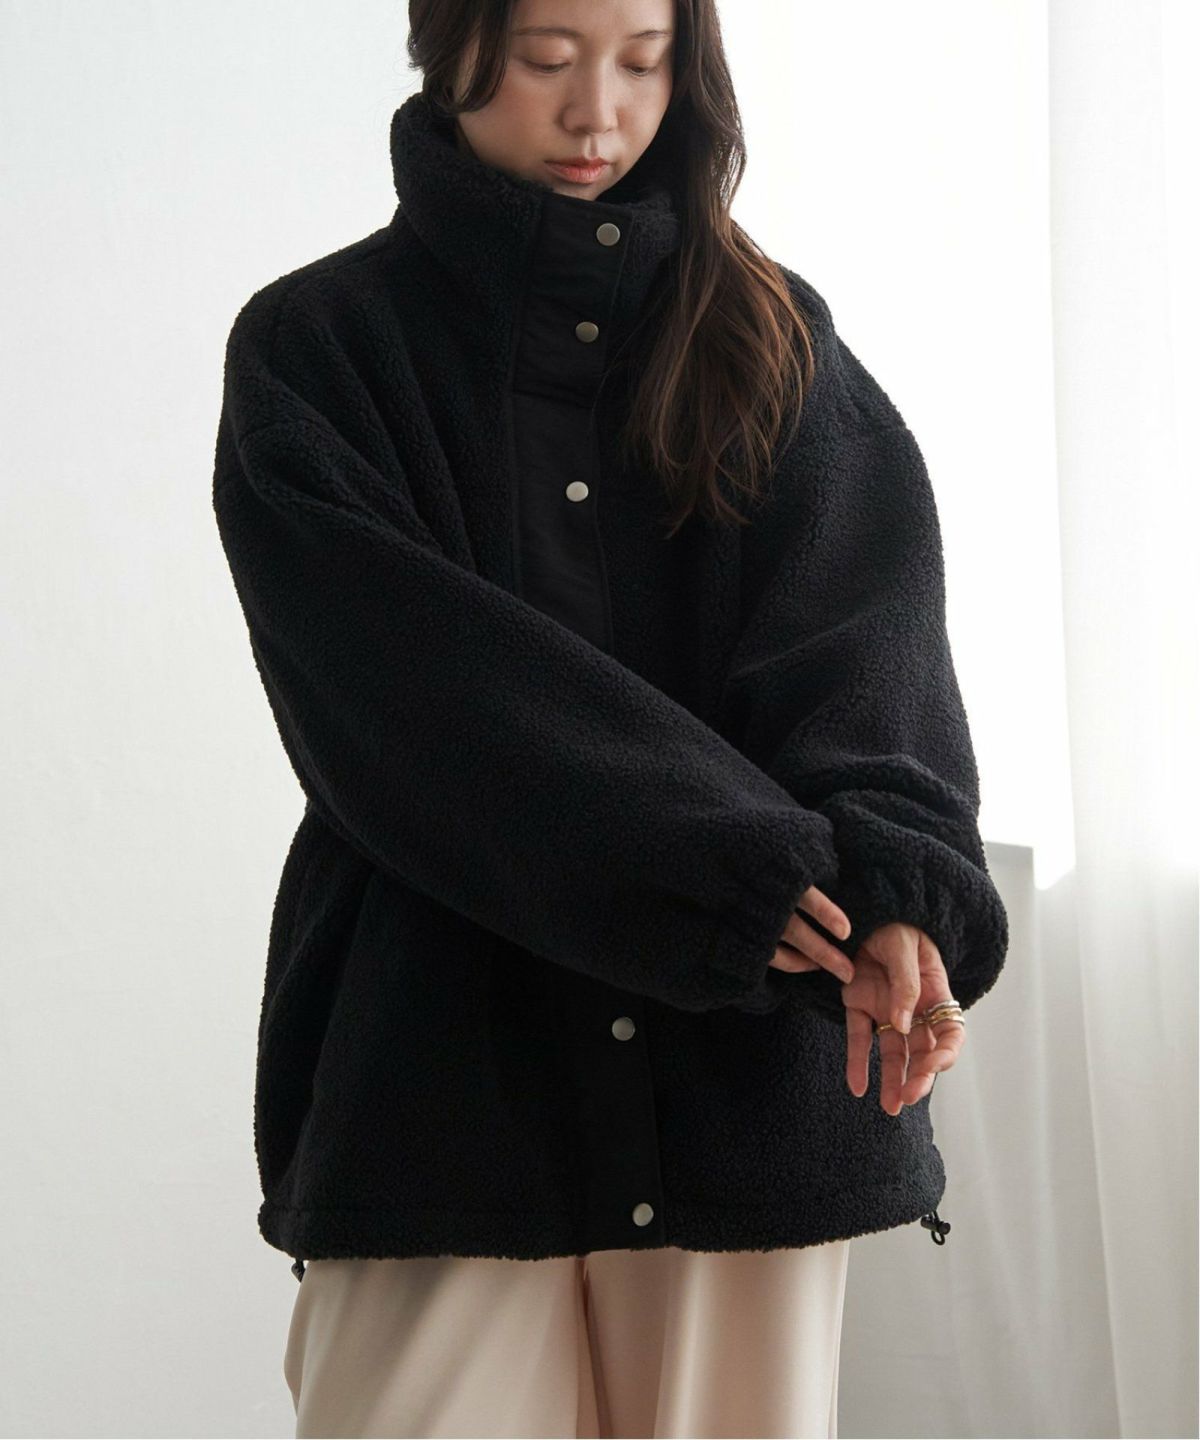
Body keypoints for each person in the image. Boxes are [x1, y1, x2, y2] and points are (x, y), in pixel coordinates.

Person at [211, 0, 1009, 1435]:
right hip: (441, 1082)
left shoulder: (771, 337)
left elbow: (869, 644)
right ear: (450, 45)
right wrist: (719, 872)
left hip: (747, 1083)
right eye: (546, 58)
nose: (599, 112)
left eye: (644, 61)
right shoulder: (319, 347)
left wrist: (899, 893)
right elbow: (401, 690)